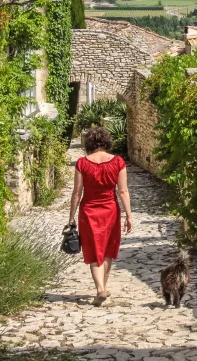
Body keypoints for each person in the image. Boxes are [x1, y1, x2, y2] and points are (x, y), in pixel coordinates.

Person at [67, 126, 133, 306]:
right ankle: (102, 287)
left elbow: (76, 193)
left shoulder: (82, 163)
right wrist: (129, 215)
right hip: (110, 210)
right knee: (107, 248)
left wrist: (71, 217)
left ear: (89, 143)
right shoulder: (118, 162)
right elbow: (123, 191)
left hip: (88, 211)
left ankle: (100, 289)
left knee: (93, 248)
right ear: (106, 142)